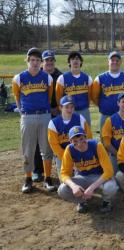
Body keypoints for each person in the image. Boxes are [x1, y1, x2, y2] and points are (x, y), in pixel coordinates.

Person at [12, 48, 55, 193]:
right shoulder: (19, 78)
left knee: (46, 149)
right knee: (28, 150)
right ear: (28, 61)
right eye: (32, 60)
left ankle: (47, 179)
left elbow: (48, 98)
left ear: (41, 62)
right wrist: (23, 111)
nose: (35, 63)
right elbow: (17, 98)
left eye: (38, 60)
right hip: (28, 116)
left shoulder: (47, 78)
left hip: (44, 115)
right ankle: (28, 179)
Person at [58, 126, 118, 213]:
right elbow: (64, 174)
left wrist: (91, 188)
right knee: (62, 189)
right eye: (75, 141)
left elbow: (109, 171)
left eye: (82, 139)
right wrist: (73, 186)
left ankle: (106, 202)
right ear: (70, 142)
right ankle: (82, 201)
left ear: (86, 137)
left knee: (111, 187)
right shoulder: (69, 149)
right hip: (82, 178)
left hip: (99, 177)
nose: (79, 143)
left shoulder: (97, 145)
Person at [33, 50, 62, 182]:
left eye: (51, 60)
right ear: (42, 62)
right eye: (46, 60)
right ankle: (38, 170)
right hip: (42, 112)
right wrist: (50, 108)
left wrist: (59, 108)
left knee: (61, 140)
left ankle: (64, 167)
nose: (49, 62)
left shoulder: (60, 76)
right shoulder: (37, 75)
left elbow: (65, 95)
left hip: (59, 113)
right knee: (40, 142)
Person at [48, 96, 92, 180]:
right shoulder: (53, 123)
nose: (70, 109)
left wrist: (82, 153)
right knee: (65, 184)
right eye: (66, 107)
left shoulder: (80, 119)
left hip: (79, 153)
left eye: (72, 107)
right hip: (62, 155)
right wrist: (67, 158)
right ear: (60, 107)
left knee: (82, 180)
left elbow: (88, 137)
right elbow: (54, 145)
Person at [92, 51, 124, 131]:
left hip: (122, 115)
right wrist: (104, 105)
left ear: (120, 62)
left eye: (117, 60)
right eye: (112, 60)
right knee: (104, 139)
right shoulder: (99, 78)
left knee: (122, 138)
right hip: (106, 115)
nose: (115, 62)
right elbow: (94, 97)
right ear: (108, 62)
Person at [101, 92, 124, 174]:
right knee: (112, 177)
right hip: (115, 154)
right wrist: (120, 155)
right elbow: (107, 144)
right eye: (123, 102)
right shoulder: (110, 120)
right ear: (118, 103)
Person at [56, 51, 93, 126]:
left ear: (81, 62)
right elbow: (58, 97)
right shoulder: (62, 78)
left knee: (85, 134)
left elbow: (90, 96)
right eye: (72, 59)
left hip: (84, 110)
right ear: (69, 62)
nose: (75, 61)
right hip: (69, 111)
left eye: (77, 59)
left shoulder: (87, 78)